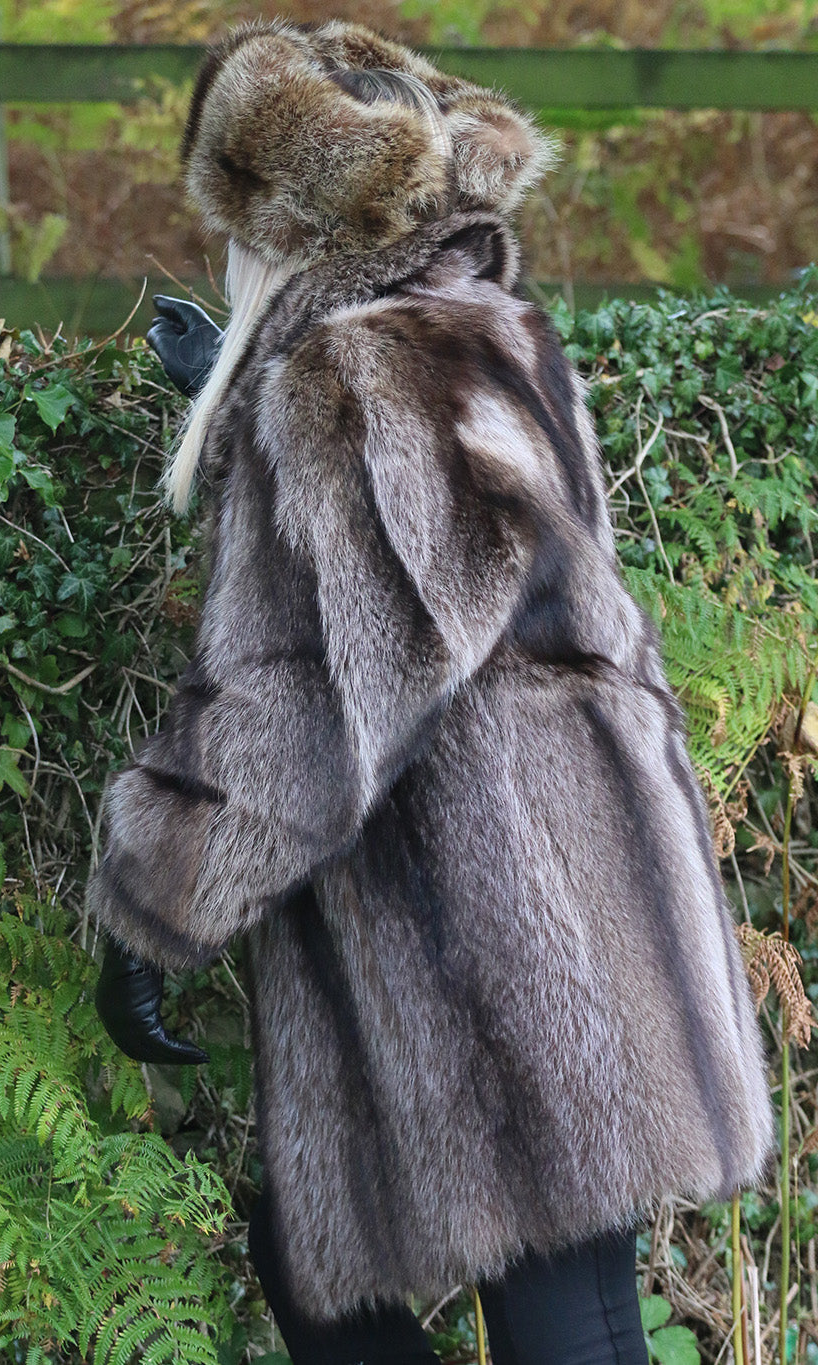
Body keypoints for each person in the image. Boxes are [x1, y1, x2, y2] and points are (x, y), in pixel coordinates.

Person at [88, 20, 774, 1365]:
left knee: (548, 1328)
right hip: (537, 921)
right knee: (329, 1269)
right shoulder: (469, 330)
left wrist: (155, 902)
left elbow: (315, 688)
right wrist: (243, 416)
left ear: (287, 220)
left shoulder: (357, 373)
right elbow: (432, 585)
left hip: (509, 946)